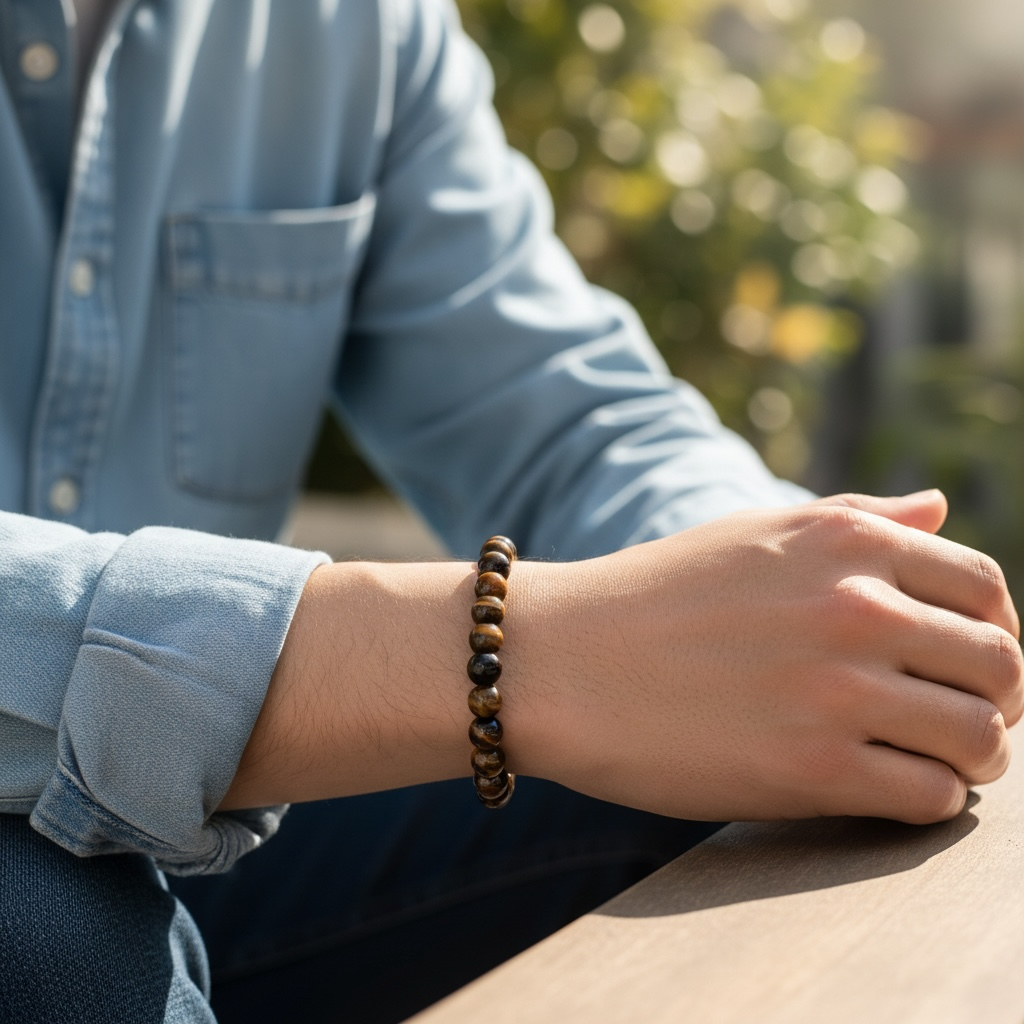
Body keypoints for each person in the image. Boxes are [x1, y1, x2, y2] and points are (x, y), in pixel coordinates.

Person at [1, 2, 1020, 1022]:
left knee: (782, 774)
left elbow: (555, 413)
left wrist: (800, 607)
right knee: (57, 934)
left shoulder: (349, 27)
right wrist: (518, 652)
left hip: (224, 838)